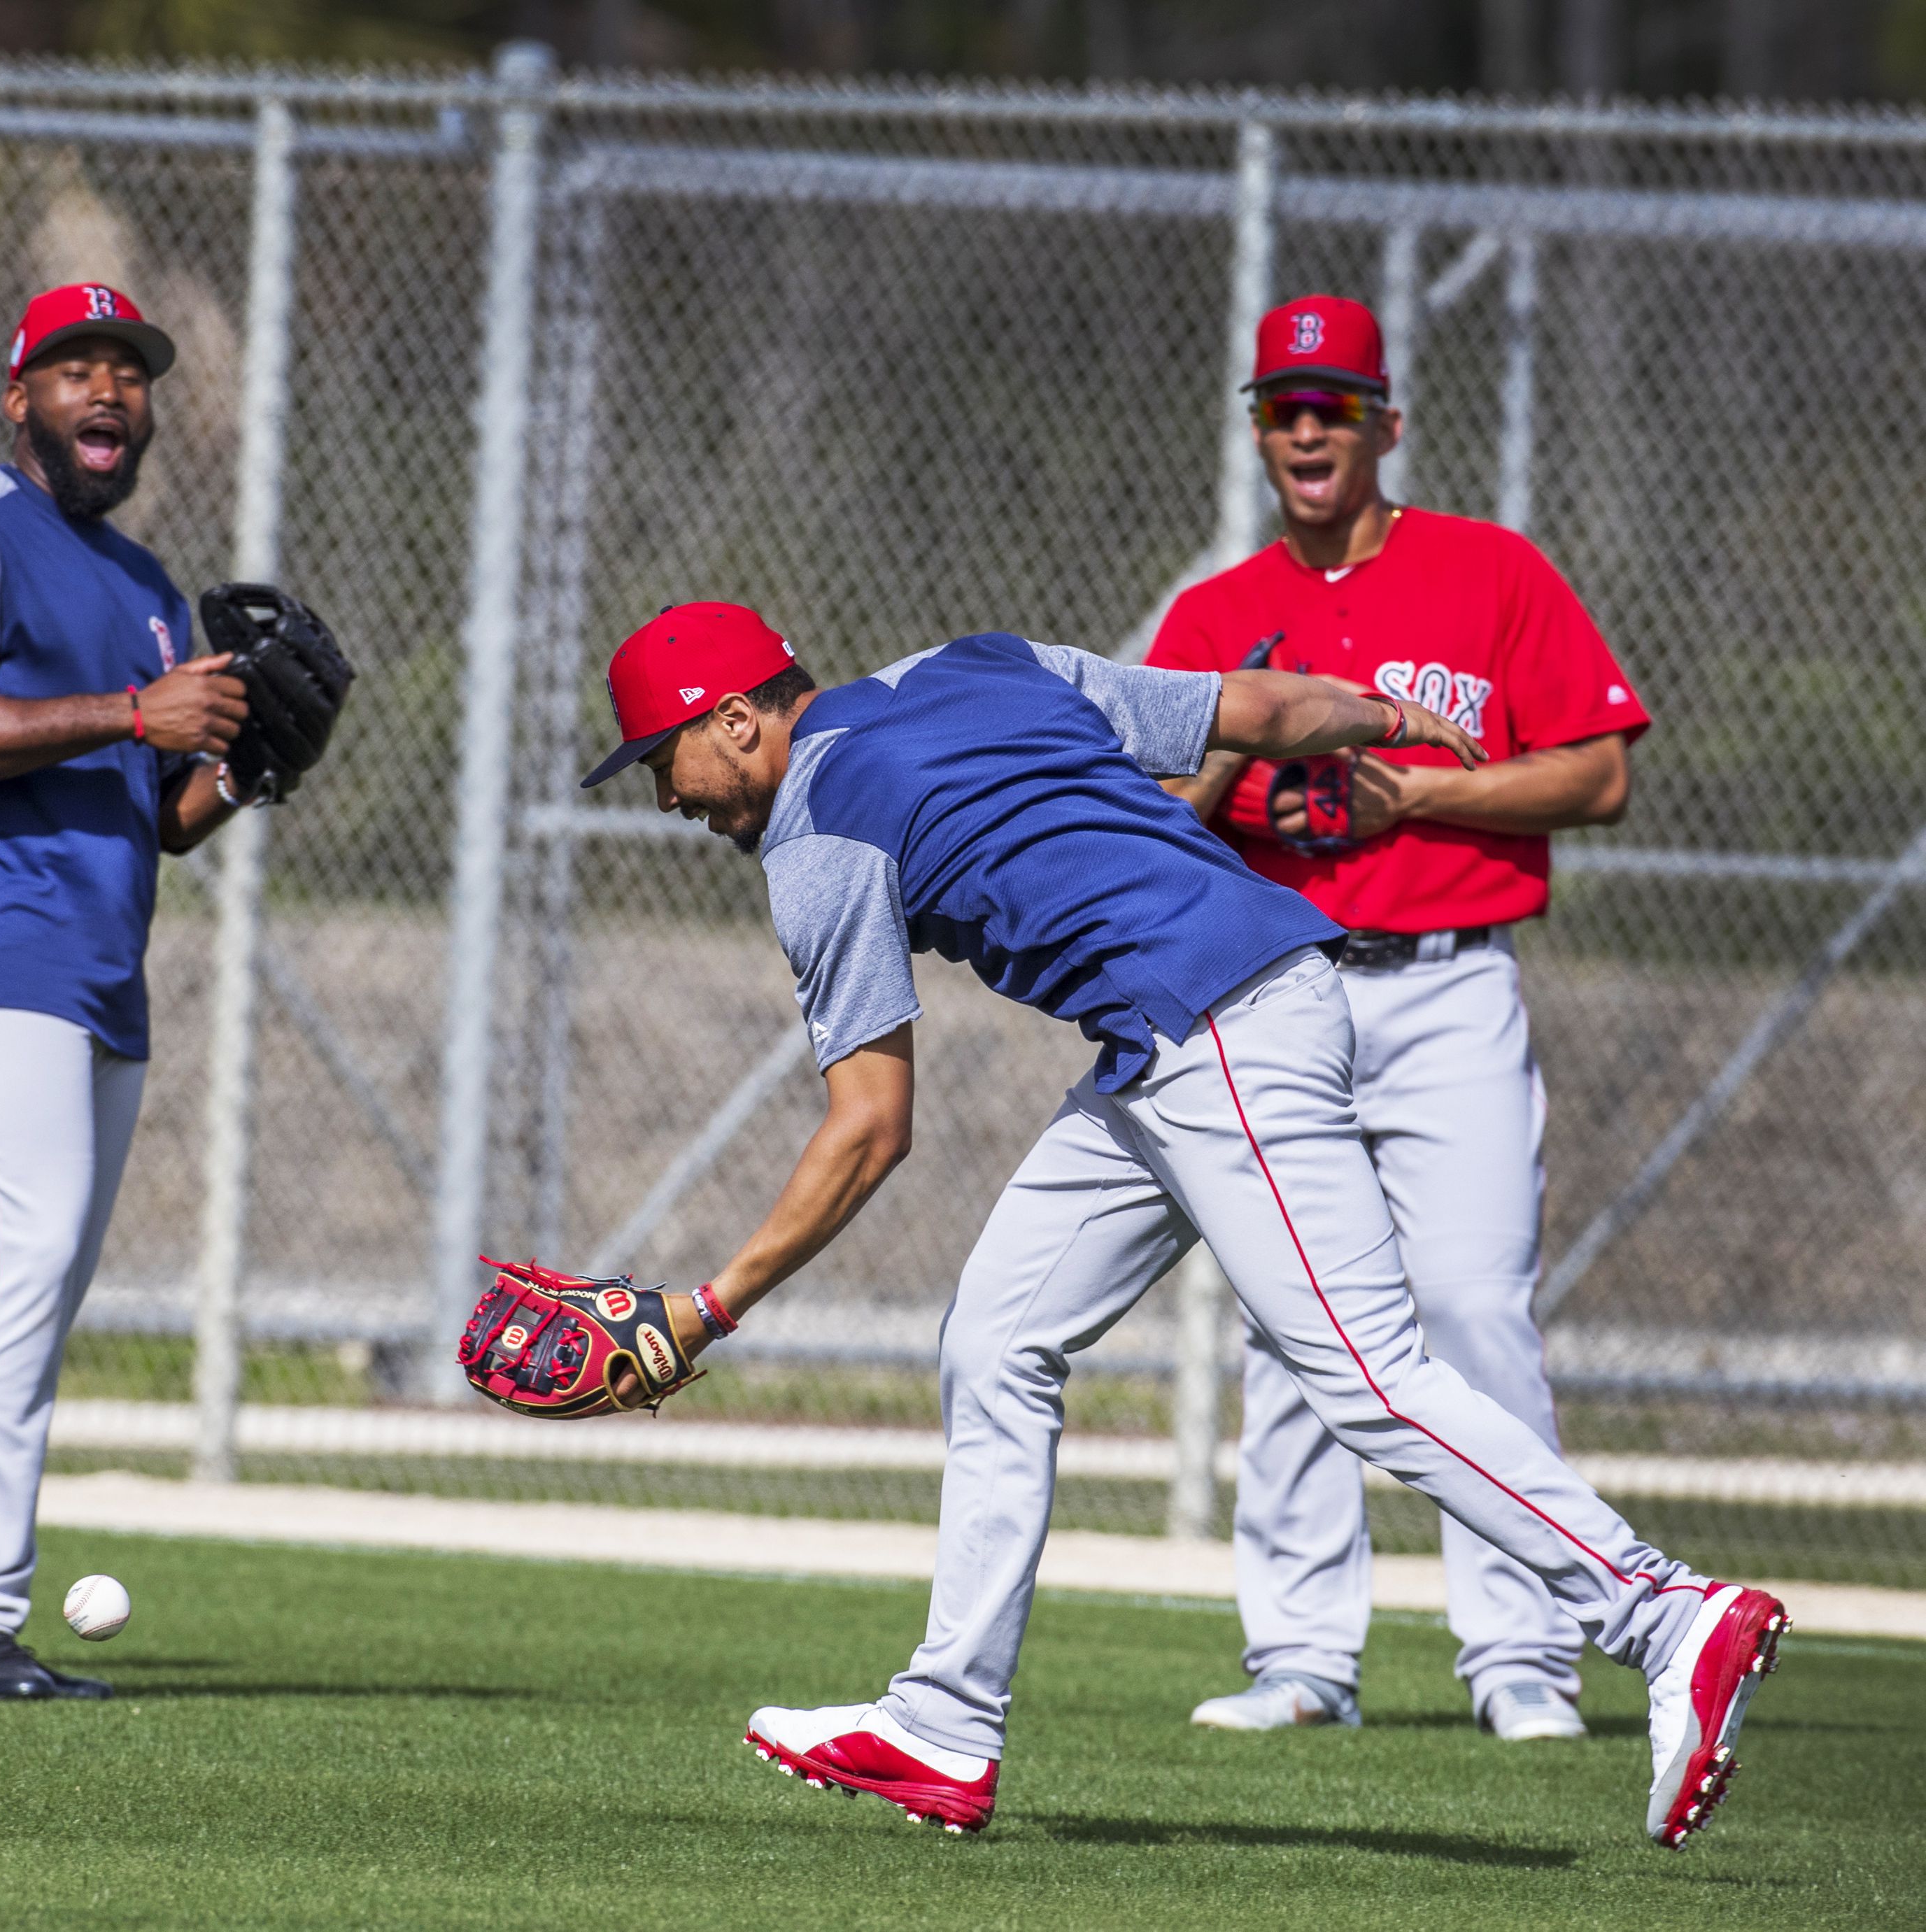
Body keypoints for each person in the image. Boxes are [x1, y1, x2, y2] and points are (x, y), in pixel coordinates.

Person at [572, 601, 1781, 1849]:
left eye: (664, 761)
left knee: (1369, 1380)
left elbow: (870, 1127)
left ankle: (1663, 1611)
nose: (665, 796)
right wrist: (1378, 711)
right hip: (1174, 1034)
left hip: (1219, 1026)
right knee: (995, 1340)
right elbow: (1251, 710)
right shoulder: (977, 664)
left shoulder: (814, 831)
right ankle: (944, 1718)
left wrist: (707, 1307)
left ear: (733, 717)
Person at [1145, 294, 1650, 1742]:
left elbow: (1596, 774)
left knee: (1472, 1306)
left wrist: (1424, 792)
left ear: (1386, 424)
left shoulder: (1487, 574)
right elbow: (1157, 815)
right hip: (1282, 986)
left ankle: (1522, 1657)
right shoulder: (1214, 613)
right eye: (1283, 407)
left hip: (1447, 983)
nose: (1308, 429)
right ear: (1258, 430)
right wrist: (1238, 759)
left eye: (1334, 405)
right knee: (1295, 1327)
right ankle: (1301, 1657)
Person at [0, 281, 251, 1700]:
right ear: (17, 399)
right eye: (74, 369)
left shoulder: (146, 588)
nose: (107, 393)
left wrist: (243, 765)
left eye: (128, 373)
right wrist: (139, 714)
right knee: (23, 1259)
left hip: (96, 957)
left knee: (25, 1275)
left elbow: (154, 811)